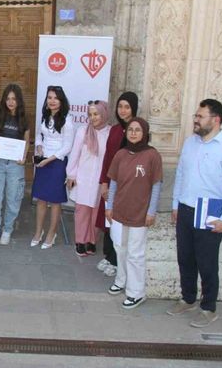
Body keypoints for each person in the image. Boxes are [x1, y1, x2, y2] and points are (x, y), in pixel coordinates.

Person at [167, 99, 222, 328]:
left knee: (207, 262)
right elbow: (181, 174)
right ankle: (188, 298)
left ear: (216, 119)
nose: (195, 120)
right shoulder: (191, 143)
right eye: (196, 116)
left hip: (211, 213)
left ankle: (208, 307)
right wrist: (175, 205)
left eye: (200, 116)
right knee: (185, 257)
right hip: (186, 208)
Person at [105, 117, 162, 310]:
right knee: (120, 248)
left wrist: (151, 211)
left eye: (138, 130)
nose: (134, 133)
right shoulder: (120, 154)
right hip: (119, 211)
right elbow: (113, 182)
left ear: (145, 133)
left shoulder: (152, 155)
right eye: (131, 130)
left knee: (135, 254)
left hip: (140, 214)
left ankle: (136, 293)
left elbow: (156, 185)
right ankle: (121, 281)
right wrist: (109, 207)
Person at [97, 92, 138, 276]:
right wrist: (103, 182)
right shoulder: (114, 130)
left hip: (126, 185)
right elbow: (107, 158)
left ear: (134, 109)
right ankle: (108, 255)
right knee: (108, 219)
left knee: (119, 223)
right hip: (111, 181)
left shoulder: (136, 129)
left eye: (127, 107)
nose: (123, 110)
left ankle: (116, 261)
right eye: (120, 106)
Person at [30, 85, 74, 249]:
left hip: (56, 163)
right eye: (49, 97)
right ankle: (38, 232)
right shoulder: (45, 116)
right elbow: (39, 135)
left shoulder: (67, 121)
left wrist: (49, 160)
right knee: (41, 199)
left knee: (55, 201)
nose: (52, 101)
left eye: (56, 98)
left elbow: (67, 147)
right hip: (43, 161)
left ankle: (51, 233)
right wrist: (39, 146)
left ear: (61, 101)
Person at [66, 101, 111, 256]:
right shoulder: (83, 131)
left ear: (104, 114)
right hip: (83, 178)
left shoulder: (110, 133)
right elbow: (75, 154)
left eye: (96, 114)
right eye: (90, 114)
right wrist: (71, 174)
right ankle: (80, 241)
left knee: (96, 212)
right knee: (82, 212)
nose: (93, 118)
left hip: (100, 180)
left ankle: (92, 241)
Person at [0, 84, 30, 245]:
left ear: (19, 100)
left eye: (14, 99)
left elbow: (26, 141)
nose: (11, 102)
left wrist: (24, 157)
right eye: (8, 98)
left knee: (13, 199)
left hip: (15, 165)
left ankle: (7, 229)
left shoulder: (24, 119)